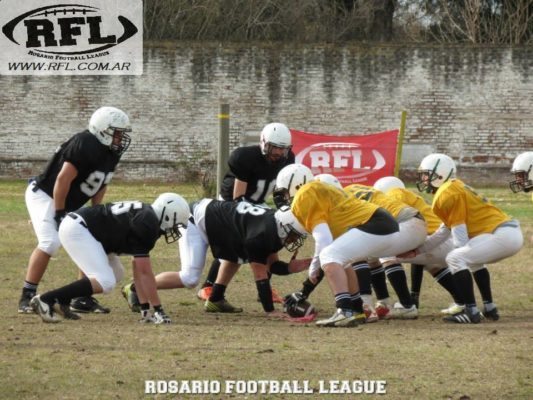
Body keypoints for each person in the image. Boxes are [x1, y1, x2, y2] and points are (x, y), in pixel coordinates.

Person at [19, 107, 132, 315]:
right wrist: (60, 211)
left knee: (89, 237)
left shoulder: (111, 152)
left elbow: (101, 183)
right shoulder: (85, 143)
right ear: (102, 130)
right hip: (46, 195)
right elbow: (63, 179)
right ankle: (27, 295)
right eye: (117, 133)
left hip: (71, 200)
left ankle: (81, 298)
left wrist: (95, 213)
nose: (120, 138)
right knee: (50, 242)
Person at [123, 199, 310, 316]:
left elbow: (272, 264)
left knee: (238, 255)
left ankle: (215, 300)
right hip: (196, 220)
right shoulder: (261, 235)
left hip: (218, 221)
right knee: (190, 278)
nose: (295, 240)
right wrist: (270, 311)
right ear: (284, 227)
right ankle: (134, 287)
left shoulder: (274, 225)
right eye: (294, 234)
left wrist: (290, 268)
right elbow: (261, 276)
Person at [30, 193, 190, 323]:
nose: (174, 230)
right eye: (176, 224)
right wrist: (159, 310)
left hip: (86, 229)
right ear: (168, 215)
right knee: (105, 281)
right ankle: (46, 299)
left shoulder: (148, 217)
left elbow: (138, 271)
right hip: (79, 229)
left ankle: (62, 302)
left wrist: (145, 309)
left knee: (116, 274)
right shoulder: (147, 223)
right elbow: (145, 273)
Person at [276, 164, 401, 327]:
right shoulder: (319, 189)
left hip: (373, 223)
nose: (286, 197)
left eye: (285, 192)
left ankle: (344, 311)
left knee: (329, 255)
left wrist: (313, 268)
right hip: (382, 222)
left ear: (296, 184)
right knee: (342, 260)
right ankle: (356, 309)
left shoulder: (305, 193)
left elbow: (323, 239)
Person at [414, 153, 523, 323]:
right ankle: (489, 307)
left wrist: (459, 253)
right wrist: (418, 250)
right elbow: (444, 230)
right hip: (506, 232)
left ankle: (470, 311)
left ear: (440, 173)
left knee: (455, 257)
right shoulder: (453, 187)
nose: (424, 179)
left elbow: (459, 229)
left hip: (502, 234)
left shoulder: (448, 192)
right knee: (473, 260)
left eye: (427, 174)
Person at [197, 122, 295, 303]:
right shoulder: (246, 157)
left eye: (283, 149)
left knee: (269, 239)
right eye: (275, 148)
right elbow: (238, 196)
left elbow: (281, 188)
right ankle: (209, 286)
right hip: (231, 202)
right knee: (231, 243)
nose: (279, 153)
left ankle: (263, 291)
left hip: (258, 202)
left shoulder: (288, 160)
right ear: (264, 143)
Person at [374, 176, 460, 313]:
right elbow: (418, 259)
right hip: (444, 240)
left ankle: (406, 305)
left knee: (385, 252)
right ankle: (463, 302)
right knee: (431, 264)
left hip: (436, 239)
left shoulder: (395, 194)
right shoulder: (411, 197)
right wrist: (415, 294)